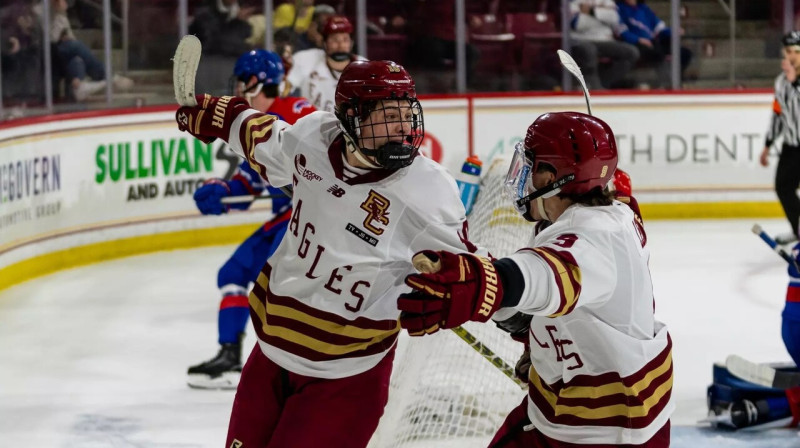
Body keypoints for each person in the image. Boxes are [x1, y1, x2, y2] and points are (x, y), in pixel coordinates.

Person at [174, 59, 482, 447]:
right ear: (350, 118)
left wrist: (495, 307)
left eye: (408, 113)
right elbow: (264, 136)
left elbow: (476, 272)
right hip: (269, 358)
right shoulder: (313, 136)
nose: (405, 128)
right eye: (389, 116)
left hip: (346, 379)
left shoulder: (428, 192)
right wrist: (222, 117)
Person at [397, 112, 673, 446]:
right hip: (564, 408)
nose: (523, 176)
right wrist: (529, 329)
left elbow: (547, 275)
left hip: (602, 430)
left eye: (531, 165)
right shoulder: (611, 216)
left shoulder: (594, 237)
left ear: (550, 177)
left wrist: (481, 284)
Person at [186, 49, 315, 389]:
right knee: (233, 273)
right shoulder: (257, 128)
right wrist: (223, 192)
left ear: (257, 82)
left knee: (279, 290)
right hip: (288, 216)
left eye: (243, 83)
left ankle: (291, 370)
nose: (240, 91)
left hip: (310, 221)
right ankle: (230, 357)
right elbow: (250, 182)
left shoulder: (296, 113)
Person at [49, 0, 133, 101]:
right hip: (52, 51)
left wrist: (67, 36)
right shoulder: (46, 13)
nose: (65, 3)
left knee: (77, 60)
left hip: (66, 53)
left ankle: (79, 86)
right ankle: (107, 76)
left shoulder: (61, 16)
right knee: (77, 46)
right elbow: (51, 39)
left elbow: (70, 37)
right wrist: (62, 34)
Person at [761, 31, 800, 245]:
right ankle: (798, 228)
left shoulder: (791, 82)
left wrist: (795, 83)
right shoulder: (780, 82)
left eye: (796, 52)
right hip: (791, 146)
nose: (792, 56)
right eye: (788, 52)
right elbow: (778, 114)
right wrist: (768, 145)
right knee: (783, 187)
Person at [283, 15, 364, 112]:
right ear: (324, 42)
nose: (340, 45)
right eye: (334, 39)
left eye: (345, 40)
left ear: (351, 43)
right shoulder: (306, 59)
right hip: (313, 124)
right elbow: (282, 89)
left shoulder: (364, 67)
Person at [616, 0, 692, 88]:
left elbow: (659, 28)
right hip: (634, 44)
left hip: (652, 42)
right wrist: (638, 39)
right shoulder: (618, 9)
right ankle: (669, 85)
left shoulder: (644, 8)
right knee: (657, 54)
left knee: (685, 53)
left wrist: (673, 31)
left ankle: (678, 82)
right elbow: (621, 31)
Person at [569, 0, 639, 89]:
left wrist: (591, 11)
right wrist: (603, 18)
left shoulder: (607, 1)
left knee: (631, 52)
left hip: (605, 40)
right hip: (581, 40)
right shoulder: (574, 2)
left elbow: (614, 18)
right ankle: (595, 89)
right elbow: (577, 23)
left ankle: (601, 85)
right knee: (589, 51)